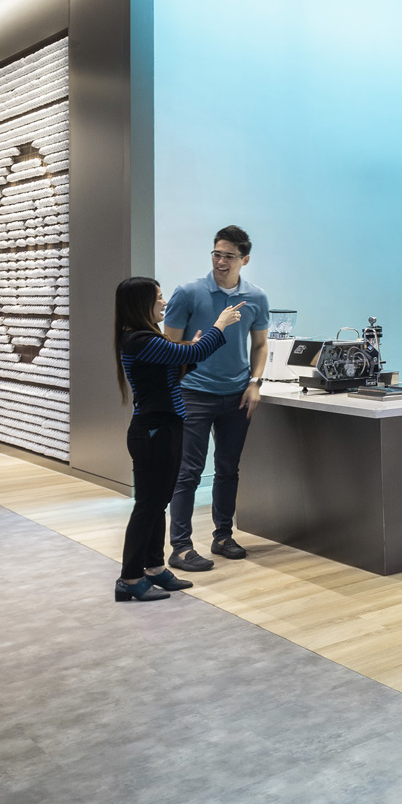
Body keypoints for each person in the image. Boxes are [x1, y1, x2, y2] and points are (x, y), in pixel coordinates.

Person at [114, 276, 244, 602]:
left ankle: (154, 568)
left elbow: (180, 362)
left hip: (165, 428)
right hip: (154, 431)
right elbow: (194, 351)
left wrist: (193, 347)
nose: (165, 303)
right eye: (158, 298)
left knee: (157, 504)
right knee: (148, 506)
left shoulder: (146, 339)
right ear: (141, 303)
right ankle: (129, 578)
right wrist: (220, 324)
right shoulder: (139, 339)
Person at [164, 226, 270, 574]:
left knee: (228, 469)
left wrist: (255, 383)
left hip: (236, 395)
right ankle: (180, 547)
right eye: (216, 254)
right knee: (188, 471)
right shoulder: (188, 293)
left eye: (229, 256)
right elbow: (170, 346)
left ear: (245, 259)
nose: (221, 261)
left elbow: (260, 344)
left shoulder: (256, 298)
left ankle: (223, 537)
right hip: (193, 393)